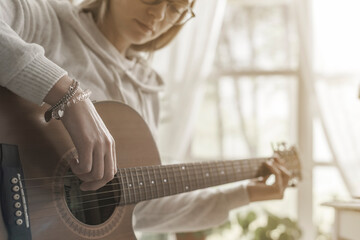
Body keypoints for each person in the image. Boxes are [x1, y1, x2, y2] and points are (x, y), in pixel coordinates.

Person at [0, 0, 291, 237]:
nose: (158, 14)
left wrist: (243, 194)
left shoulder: (146, 92)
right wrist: (71, 97)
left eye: (176, 8)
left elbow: (140, 210)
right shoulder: (48, 19)